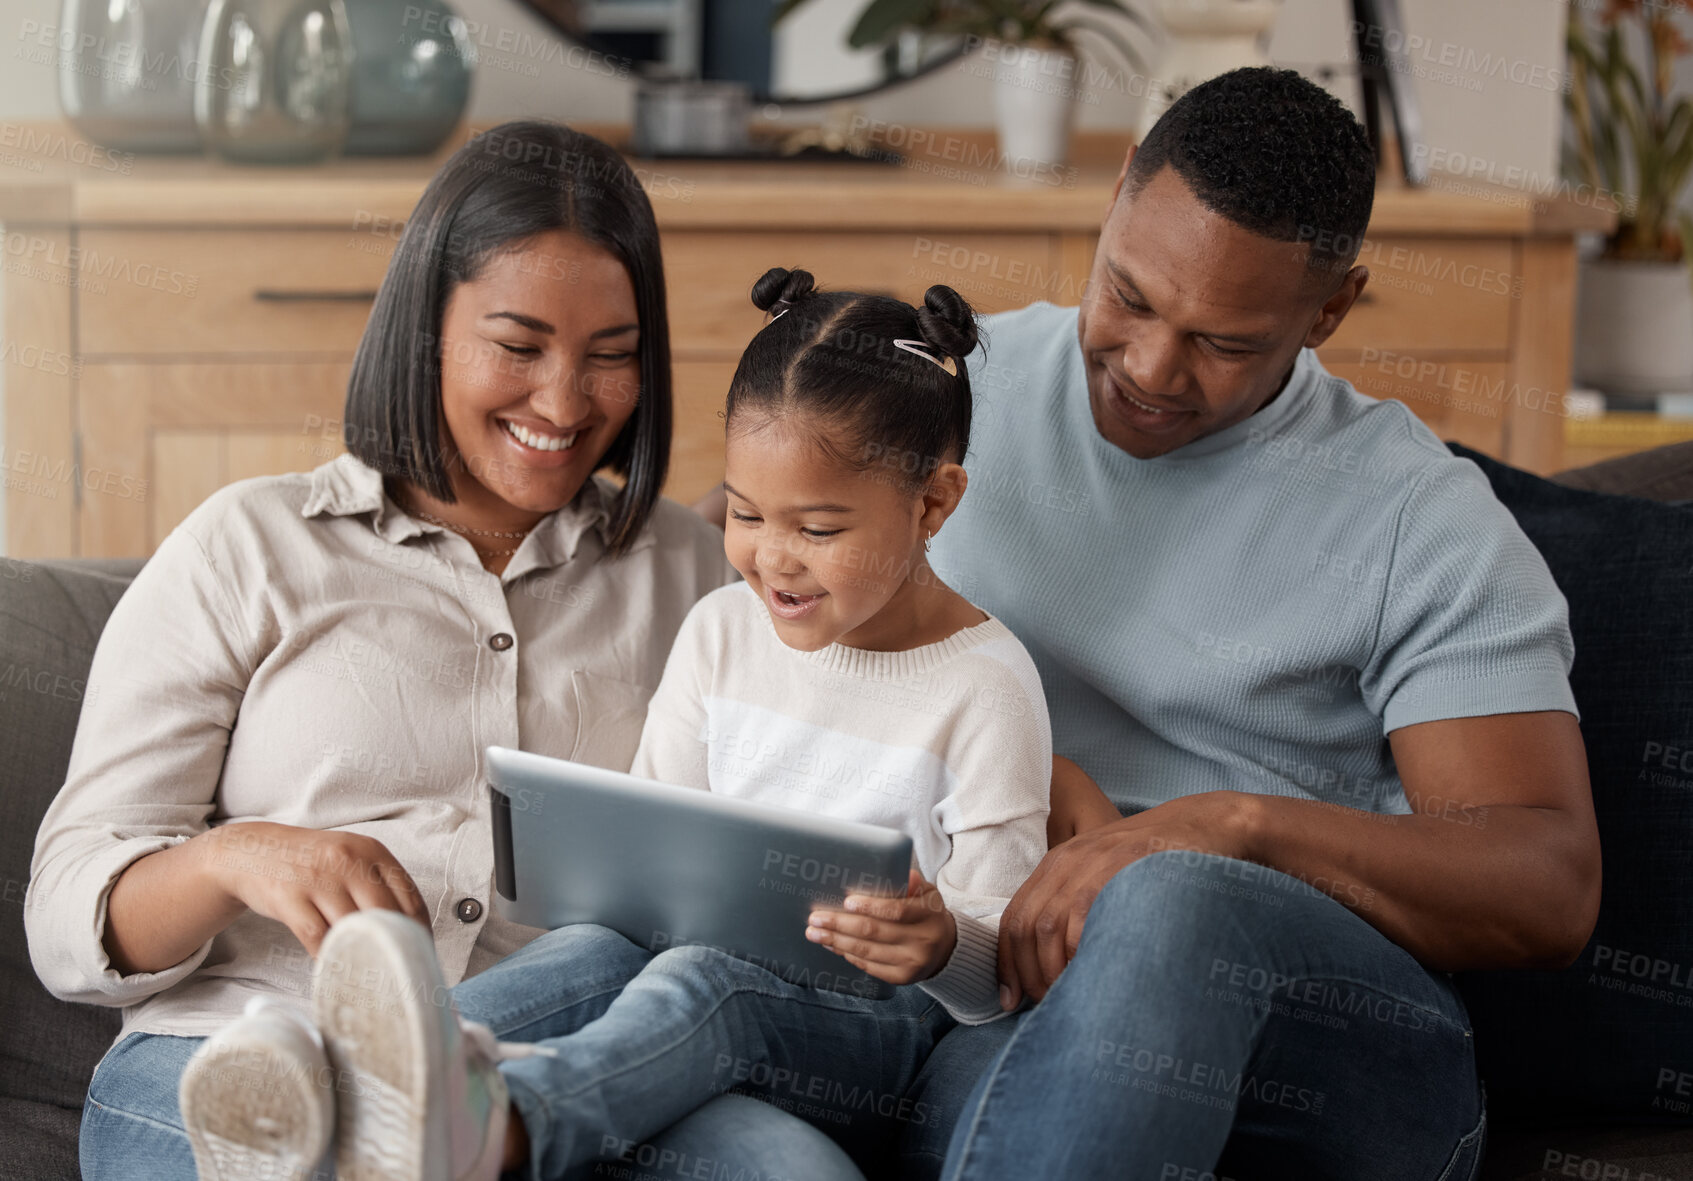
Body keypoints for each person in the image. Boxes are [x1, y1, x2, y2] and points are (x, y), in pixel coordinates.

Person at [25, 120, 860, 1181]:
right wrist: (240, 855)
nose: (564, 403)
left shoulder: (699, 573)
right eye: (518, 347)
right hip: (229, 1061)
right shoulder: (248, 545)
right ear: (427, 329)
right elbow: (67, 923)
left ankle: (405, 1107)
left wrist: (1041, 764)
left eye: (611, 357)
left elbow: (861, 729)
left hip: (554, 1075)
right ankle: (362, 1098)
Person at [881, 66, 1602, 1181]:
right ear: (1120, 190)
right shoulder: (945, 387)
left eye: (1222, 343)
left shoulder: (1420, 520)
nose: (1151, 370)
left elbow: (1547, 882)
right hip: (1000, 979)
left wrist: (1226, 827)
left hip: (1337, 1048)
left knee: (1174, 899)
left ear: (1330, 309)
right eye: (1127, 295)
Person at [189, 266, 1051, 1181]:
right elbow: (659, 847)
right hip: (685, 988)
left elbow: (1003, 977)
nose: (772, 559)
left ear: (932, 503)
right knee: (600, 947)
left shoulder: (985, 686)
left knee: (706, 979)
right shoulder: (724, 629)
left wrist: (945, 942)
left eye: (820, 529)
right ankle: (340, 1088)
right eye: (749, 514)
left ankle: (486, 1127)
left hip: (870, 1034)